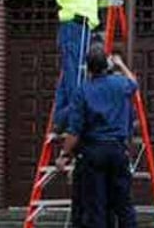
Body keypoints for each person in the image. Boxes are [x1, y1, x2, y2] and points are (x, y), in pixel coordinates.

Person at [58, 44, 138, 228]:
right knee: (123, 204)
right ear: (107, 65)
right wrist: (121, 64)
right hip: (118, 150)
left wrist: (64, 155)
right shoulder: (120, 84)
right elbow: (134, 83)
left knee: (96, 207)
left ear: (88, 68)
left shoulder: (83, 91)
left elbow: (74, 131)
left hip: (93, 153)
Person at [48, 0, 118, 132]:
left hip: (87, 28)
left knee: (70, 76)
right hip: (73, 27)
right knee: (75, 76)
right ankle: (75, 121)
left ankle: (61, 119)